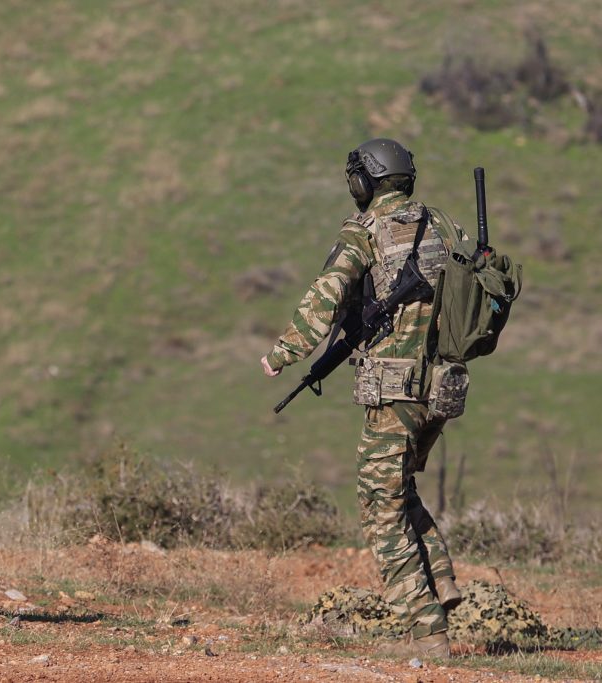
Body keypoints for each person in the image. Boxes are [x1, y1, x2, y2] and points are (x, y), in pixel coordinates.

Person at [261, 139, 465, 659]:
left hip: (394, 390)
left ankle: (426, 632)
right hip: (443, 389)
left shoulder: (365, 230)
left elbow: (327, 294)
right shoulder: (444, 226)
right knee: (398, 486)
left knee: (379, 506)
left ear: (364, 182)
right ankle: (441, 581)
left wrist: (284, 352)